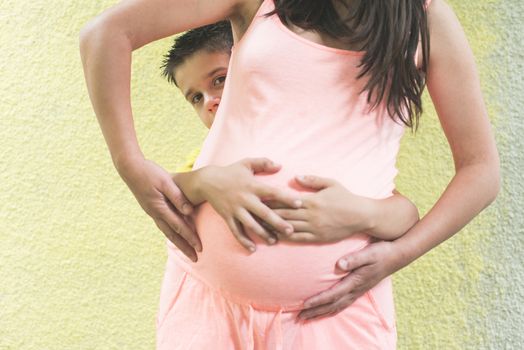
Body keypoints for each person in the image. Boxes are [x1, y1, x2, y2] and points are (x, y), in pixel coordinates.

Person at [80, 0, 500, 348]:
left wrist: (398, 255)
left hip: (333, 314)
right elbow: (105, 34)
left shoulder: (426, 21)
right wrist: (130, 165)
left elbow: (480, 171)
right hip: (206, 303)